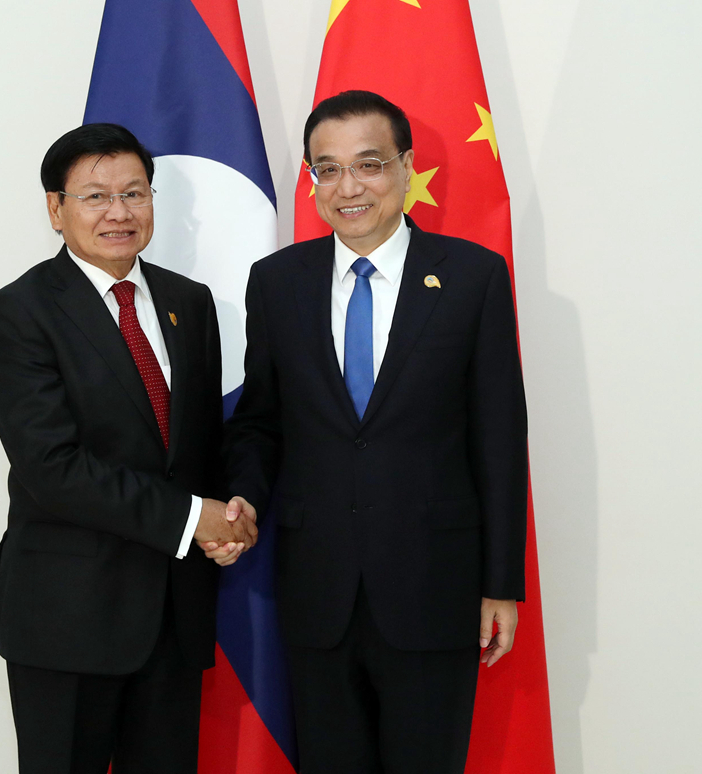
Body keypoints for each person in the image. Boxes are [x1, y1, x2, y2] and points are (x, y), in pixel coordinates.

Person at [216, 91, 528, 774]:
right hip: (317, 591)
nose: (348, 187)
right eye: (327, 169)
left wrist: (501, 583)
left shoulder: (473, 277)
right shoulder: (277, 283)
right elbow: (262, 421)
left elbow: (500, 440)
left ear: (406, 167)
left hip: (434, 588)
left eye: (368, 164)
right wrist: (244, 497)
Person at [0, 123, 256, 774]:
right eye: (96, 196)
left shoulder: (189, 303)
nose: (119, 212)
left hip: (174, 617)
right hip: (67, 617)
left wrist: (233, 510)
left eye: (134, 193)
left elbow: (198, 447)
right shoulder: (18, 313)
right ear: (56, 209)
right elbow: (53, 469)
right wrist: (195, 518)